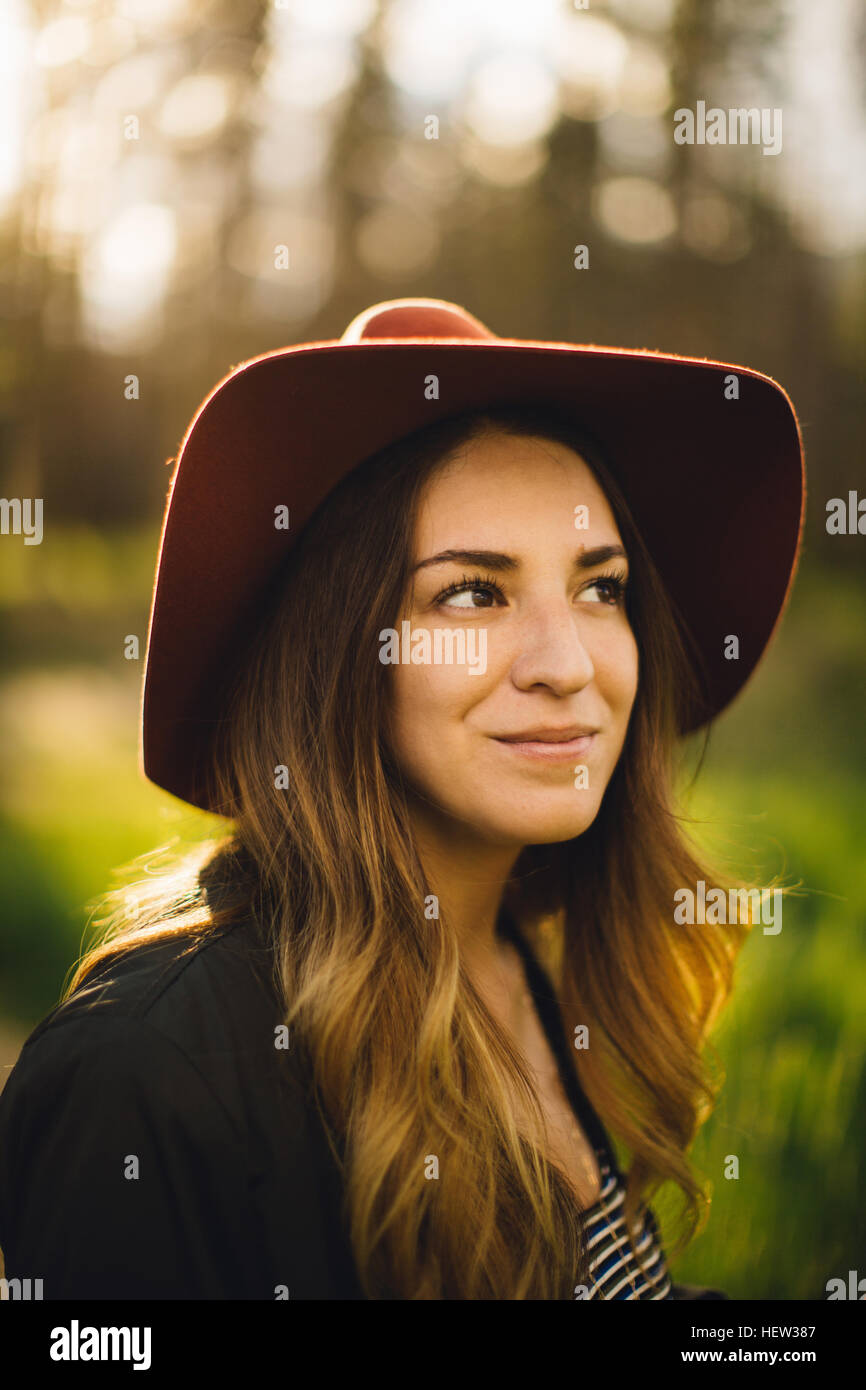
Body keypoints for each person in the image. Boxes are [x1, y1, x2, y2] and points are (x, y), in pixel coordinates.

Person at [0, 298, 805, 1300]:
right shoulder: (146, 1076)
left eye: (600, 588)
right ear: (340, 652)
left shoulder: (518, 965)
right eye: (472, 592)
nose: (567, 664)